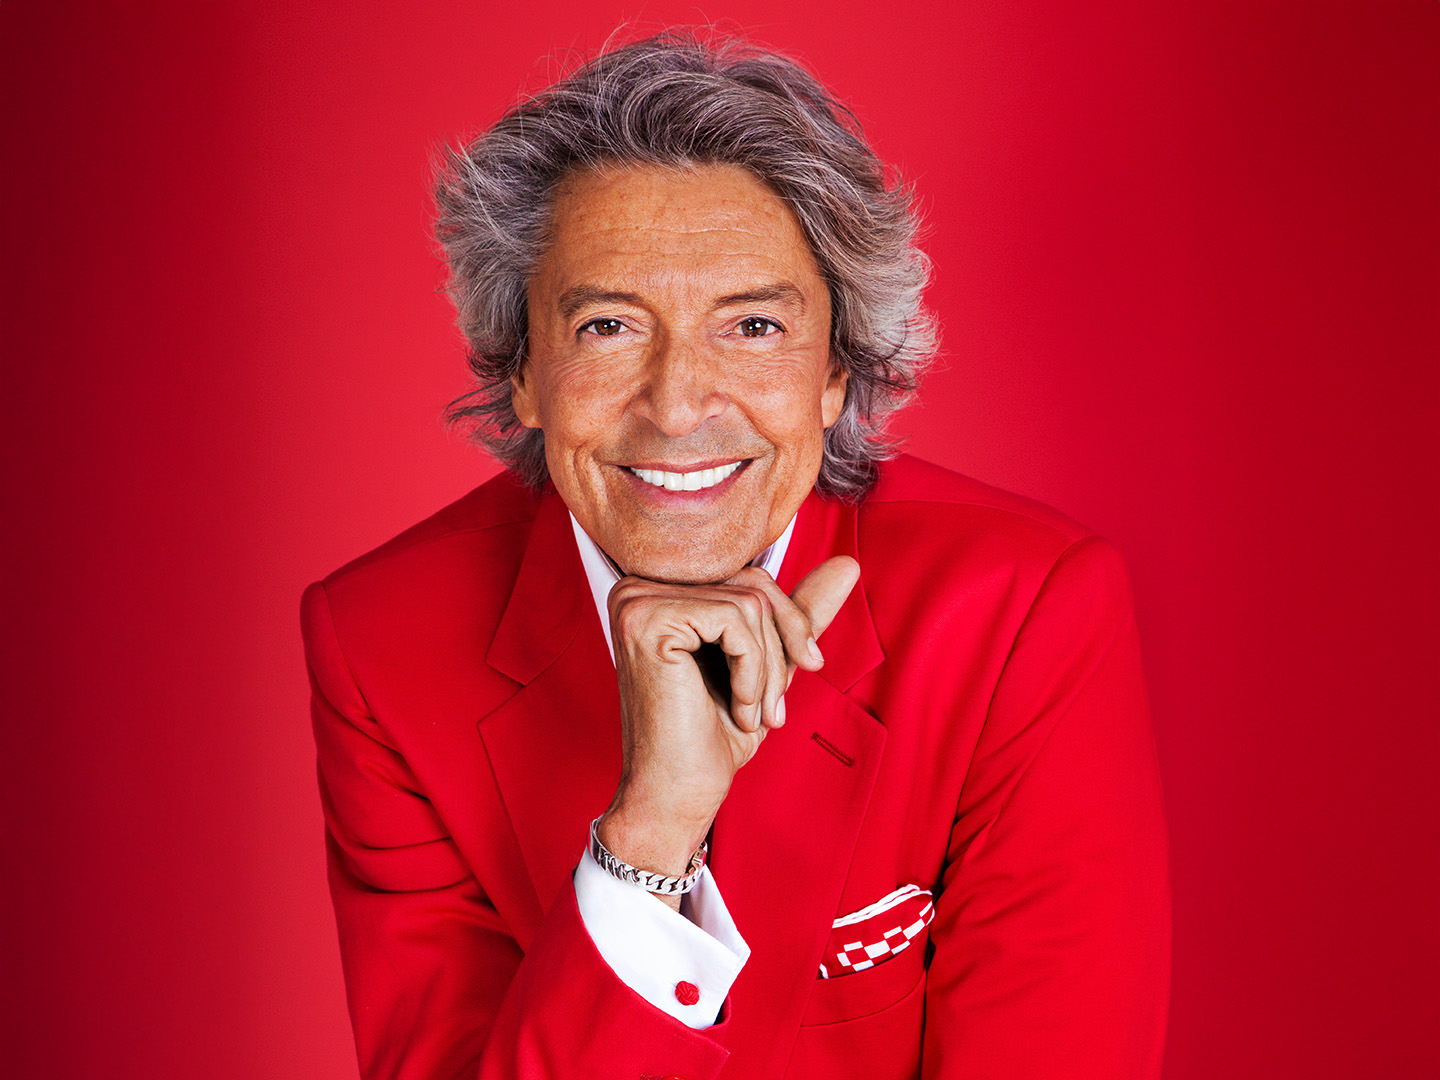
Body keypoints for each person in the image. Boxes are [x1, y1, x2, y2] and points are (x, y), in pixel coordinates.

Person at [301, 30, 1170, 1080]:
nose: (677, 407)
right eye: (609, 326)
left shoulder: (1020, 611)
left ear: (838, 373)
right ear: (522, 372)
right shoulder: (380, 646)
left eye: (753, 326)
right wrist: (650, 833)